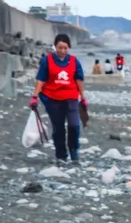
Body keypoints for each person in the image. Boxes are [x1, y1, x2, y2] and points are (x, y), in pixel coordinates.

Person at [29, 33, 87, 166]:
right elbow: (41, 79)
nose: (62, 51)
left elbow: (79, 79)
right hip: (52, 98)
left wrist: (83, 97)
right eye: (60, 48)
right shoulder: (47, 60)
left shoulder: (74, 61)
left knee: (74, 125)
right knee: (58, 127)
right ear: (55, 47)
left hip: (71, 97)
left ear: (69, 48)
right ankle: (61, 155)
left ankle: (73, 150)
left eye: (65, 48)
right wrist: (35, 96)